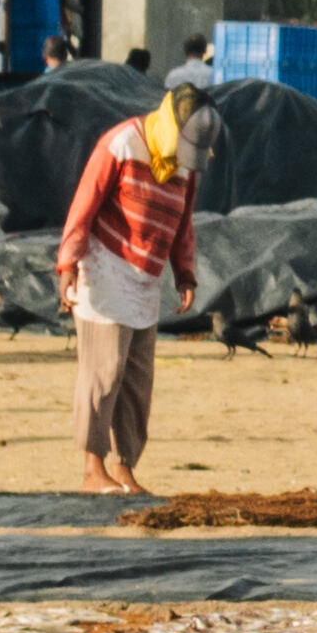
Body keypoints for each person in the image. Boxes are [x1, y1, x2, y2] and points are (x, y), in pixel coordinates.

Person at [52, 84, 203, 495]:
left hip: (145, 280)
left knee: (137, 380)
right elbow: (83, 206)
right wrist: (67, 265)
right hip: (105, 267)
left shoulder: (185, 164)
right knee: (104, 373)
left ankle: (124, 467)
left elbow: (182, 223)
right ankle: (92, 468)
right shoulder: (120, 144)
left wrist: (184, 272)